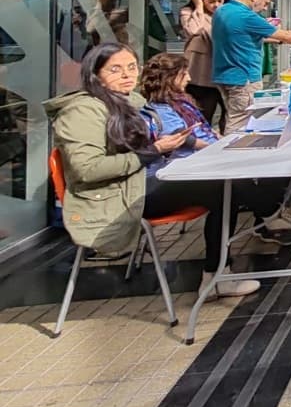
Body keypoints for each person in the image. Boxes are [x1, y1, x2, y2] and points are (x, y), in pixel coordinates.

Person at [43, 43, 259, 297]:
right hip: (115, 198)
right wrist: (155, 150)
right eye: (115, 69)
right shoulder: (81, 112)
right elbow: (87, 170)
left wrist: (163, 149)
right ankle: (222, 272)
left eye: (132, 67)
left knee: (228, 187)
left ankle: (221, 271)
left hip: (142, 182)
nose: (127, 75)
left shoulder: (132, 102)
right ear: (95, 74)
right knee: (226, 188)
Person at [139, 53, 291, 246]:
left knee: (269, 162)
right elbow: (187, 139)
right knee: (232, 185)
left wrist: (224, 140)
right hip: (195, 166)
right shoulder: (162, 110)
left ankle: (270, 216)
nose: (189, 78)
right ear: (170, 78)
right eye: (183, 73)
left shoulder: (182, 102)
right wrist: (222, 145)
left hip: (212, 155)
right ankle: (271, 215)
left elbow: (203, 132)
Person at [211, 0, 291, 134]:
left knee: (232, 115)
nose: (265, 7)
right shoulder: (247, 16)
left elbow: (240, 36)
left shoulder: (222, 11)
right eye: (266, 2)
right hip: (244, 77)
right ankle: (231, 154)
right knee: (240, 122)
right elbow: (284, 35)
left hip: (224, 74)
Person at [179, 0, 227, 130]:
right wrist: (198, 6)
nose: (216, 5)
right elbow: (193, 30)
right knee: (203, 116)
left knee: (230, 115)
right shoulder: (189, 13)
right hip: (200, 75)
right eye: (211, 2)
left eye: (220, 1)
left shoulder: (227, 14)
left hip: (224, 71)